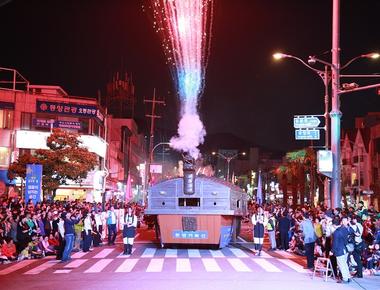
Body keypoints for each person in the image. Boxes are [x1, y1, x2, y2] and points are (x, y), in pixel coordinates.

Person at [332, 217, 351, 284]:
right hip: (345, 249)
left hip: (339, 250)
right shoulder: (345, 229)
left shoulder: (336, 232)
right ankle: (348, 277)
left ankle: (345, 279)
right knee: (345, 264)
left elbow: (335, 243)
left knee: (341, 265)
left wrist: (332, 251)